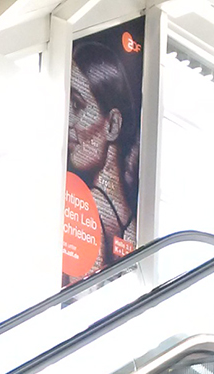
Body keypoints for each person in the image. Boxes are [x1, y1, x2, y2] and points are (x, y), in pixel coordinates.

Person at [67, 39, 141, 280]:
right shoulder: (134, 222)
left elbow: (78, 301)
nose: (67, 120)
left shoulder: (87, 209)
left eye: (77, 104)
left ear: (112, 125)